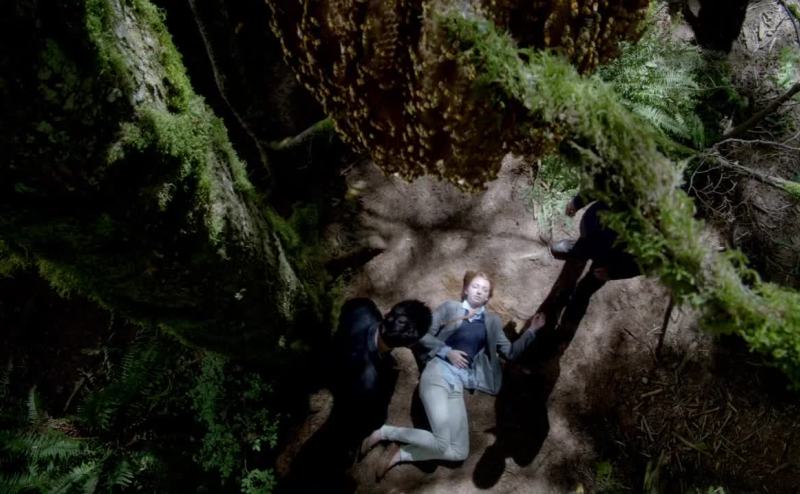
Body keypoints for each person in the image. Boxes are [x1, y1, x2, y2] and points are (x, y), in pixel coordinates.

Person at [360, 271, 546, 478]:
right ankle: (384, 432)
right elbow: (422, 333)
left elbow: (510, 352)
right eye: (475, 286)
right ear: (466, 290)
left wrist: (532, 330)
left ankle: (401, 454)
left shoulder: (492, 322)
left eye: (484, 290)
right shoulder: (450, 308)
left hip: (457, 383)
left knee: (459, 451)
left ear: (488, 297)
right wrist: (446, 351)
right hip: (438, 371)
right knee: (442, 442)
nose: (479, 291)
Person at [333, 298, 432, 455]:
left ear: (387, 313)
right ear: (410, 345)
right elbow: (372, 419)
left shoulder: (363, 307)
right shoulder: (370, 384)